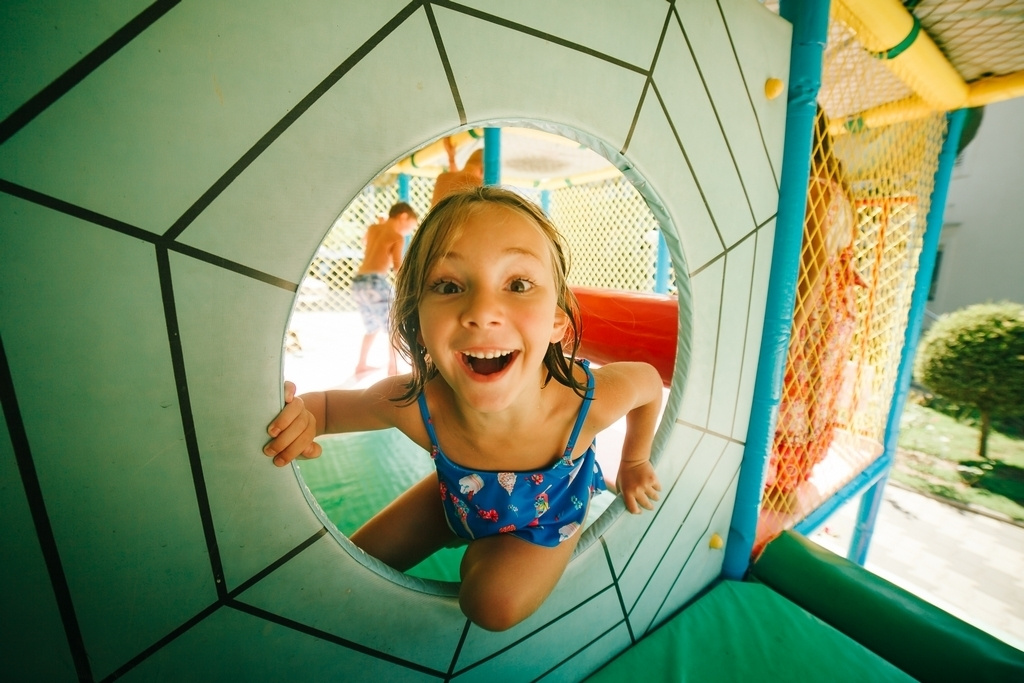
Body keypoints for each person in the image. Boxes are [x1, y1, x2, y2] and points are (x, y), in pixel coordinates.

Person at [264, 187, 663, 631]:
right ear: (418, 324)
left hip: (546, 516)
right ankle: (462, 530)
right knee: (345, 566)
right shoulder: (418, 404)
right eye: (449, 286)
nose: (482, 311)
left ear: (557, 321)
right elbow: (327, 408)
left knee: (492, 604)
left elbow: (648, 382)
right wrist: (304, 417)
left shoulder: (584, 402)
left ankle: (486, 549)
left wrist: (634, 462)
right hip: (456, 500)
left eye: (518, 284)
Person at [767, 110, 865, 497]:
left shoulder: (816, 187)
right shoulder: (840, 187)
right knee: (816, 394)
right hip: (837, 308)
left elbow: (813, 265)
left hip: (816, 310)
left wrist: (789, 334)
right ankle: (790, 478)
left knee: (794, 384)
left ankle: (777, 484)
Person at [351, 202, 419, 376]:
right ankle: (393, 368)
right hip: (375, 282)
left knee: (371, 327)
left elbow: (365, 241)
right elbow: (397, 268)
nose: (409, 231)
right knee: (395, 326)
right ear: (403, 216)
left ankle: (361, 364)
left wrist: (381, 224)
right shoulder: (397, 237)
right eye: (411, 226)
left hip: (358, 282)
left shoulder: (374, 228)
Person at [430, 137, 484, 206]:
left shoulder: (443, 177)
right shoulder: (478, 187)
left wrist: (451, 158)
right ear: (482, 172)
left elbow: (456, 183)